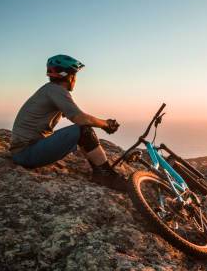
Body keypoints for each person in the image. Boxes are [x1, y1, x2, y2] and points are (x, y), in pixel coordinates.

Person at [9, 54, 127, 190]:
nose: (75, 80)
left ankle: (99, 172)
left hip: (26, 150)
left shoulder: (50, 90)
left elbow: (73, 114)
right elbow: (81, 119)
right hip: (26, 153)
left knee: (81, 131)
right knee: (83, 130)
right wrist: (106, 124)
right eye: (75, 75)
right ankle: (108, 176)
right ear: (69, 76)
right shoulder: (56, 90)